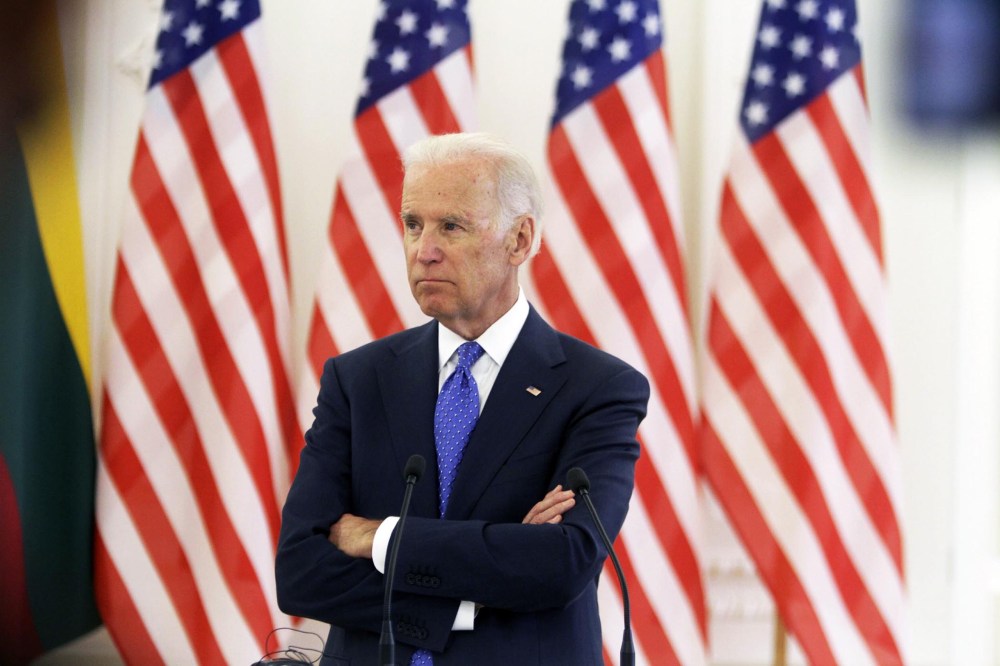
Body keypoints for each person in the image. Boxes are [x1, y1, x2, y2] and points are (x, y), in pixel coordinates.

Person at [276, 132, 650, 665]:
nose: (423, 251)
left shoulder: (598, 388)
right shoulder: (357, 379)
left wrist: (380, 537)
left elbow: (563, 562)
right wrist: (465, 600)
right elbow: (301, 571)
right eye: (412, 225)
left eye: (451, 226)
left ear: (519, 240)